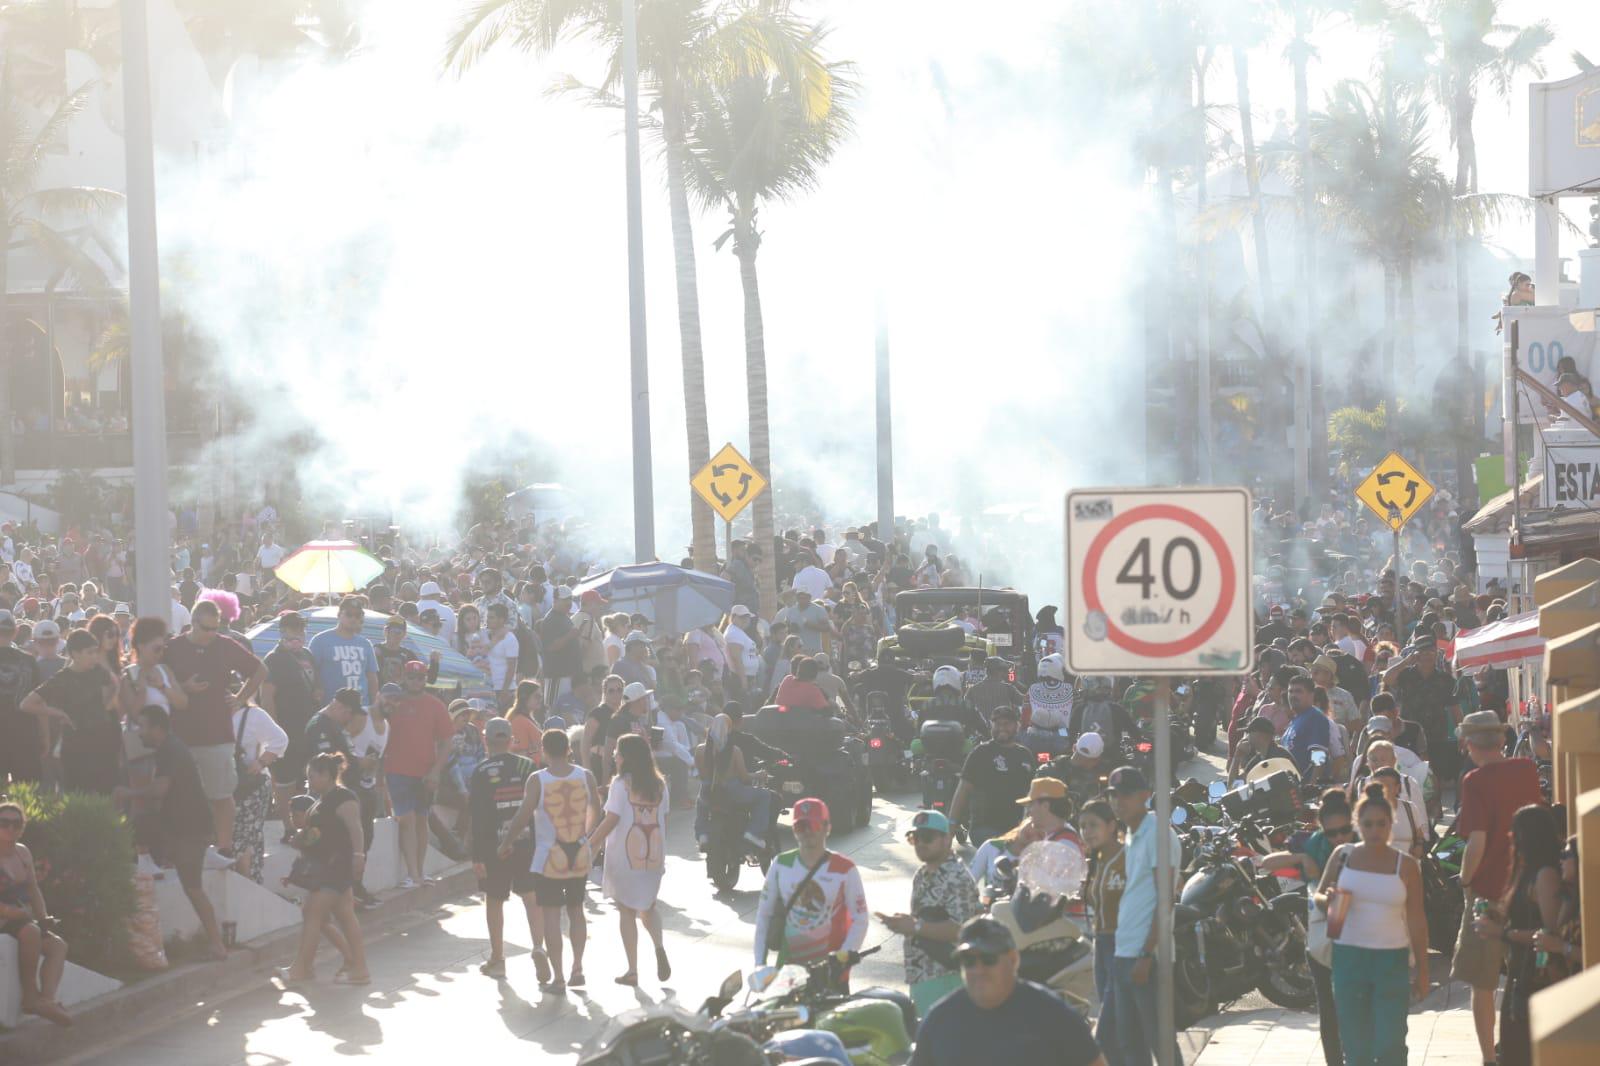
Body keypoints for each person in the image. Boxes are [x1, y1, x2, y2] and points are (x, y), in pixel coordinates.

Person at [1314, 783, 1428, 1066]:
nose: (1375, 830)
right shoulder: (1343, 855)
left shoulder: (1407, 866)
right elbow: (1319, 895)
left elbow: (1416, 919)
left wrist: (1423, 969)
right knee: (1356, 1046)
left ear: (1392, 824)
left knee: (1391, 1043)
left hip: (1391, 960)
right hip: (1349, 958)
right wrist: (1327, 899)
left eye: (1381, 823)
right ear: (1357, 824)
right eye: (1368, 824)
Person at [1454, 709, 1544, 1065]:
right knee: (1525, 972)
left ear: (1469, 744)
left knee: (1483, 981)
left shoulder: (1474, 781)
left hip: (1488, 890)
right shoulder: (1526, 769)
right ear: (1501, 740)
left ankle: (1489, 1058)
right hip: (1527, 886)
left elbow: (1476, 842)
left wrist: (1464, 879)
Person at [908, 915, 1106, 1066]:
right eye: (969, 961)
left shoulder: (1052, 1014)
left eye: (988, 959)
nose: (978, 970)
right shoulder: (941, 1018)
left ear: (1013, 960)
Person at [114, 705, 229, 962]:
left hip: (189, 830)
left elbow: (159, 790)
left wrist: (128, 794)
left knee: (193, 887)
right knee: (141, 826)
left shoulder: (169, 750)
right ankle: (149, 861)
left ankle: (217, 944)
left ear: (157, 728)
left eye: (142, 727)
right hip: (178, 827)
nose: (139, 733)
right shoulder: (169, 748)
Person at [499, 727, 603, 995]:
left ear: (544, 751)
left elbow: (523, 815)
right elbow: (596, 810)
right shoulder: (585, 776)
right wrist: (586, 837)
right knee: (577, 911)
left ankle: (558, 977)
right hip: (578, 853)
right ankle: (577, 967)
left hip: (548, 856)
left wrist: (507, 842)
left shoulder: (538, 780)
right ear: (569, 749)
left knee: (552, 916)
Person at [163, 599, 268, 863]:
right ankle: (184, 847)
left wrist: (242, 698)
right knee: (180, 796)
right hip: (180, 735)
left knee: (221, 795)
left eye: (215, 628)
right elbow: (159, 680)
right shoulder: (173, 648)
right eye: (206, 628)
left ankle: (224, 848)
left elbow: (260, 670)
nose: (211, 634)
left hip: (217, 734)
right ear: (193, 623)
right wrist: (183, 687)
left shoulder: (224, 645)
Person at [1258, 789, 1353, 1066]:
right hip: (1323, 937)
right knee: (1328, 1008)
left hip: (1358, 938)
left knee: (1355, 1006)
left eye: (1345, 830)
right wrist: (1300, 859)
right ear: (1322, 829)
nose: (1339, 838)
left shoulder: (1362, 842)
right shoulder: (1314, 844)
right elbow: (1266, 863)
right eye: (1332, 832)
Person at [1470, 805, 1564, 1066]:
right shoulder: (1525, 872)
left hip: (1538, 976)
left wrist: (1502, 932)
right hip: (1519, 972)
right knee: (1513, 1047)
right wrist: (1497, 915)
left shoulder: (1545, 875)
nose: (1510, 837)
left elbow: (1550, 932)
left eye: (1515, 832)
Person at [274, 752, 370, 987]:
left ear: (327, 775)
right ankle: (358, 968)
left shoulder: (343, 797)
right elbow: (317, 833)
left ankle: (302, 969)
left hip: (336, 866)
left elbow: (355, 829)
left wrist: (359, 856)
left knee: (313, 912)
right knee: (345, 916)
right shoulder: (321, 799)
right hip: (325, 865)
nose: (308, 782)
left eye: (312, 776)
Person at [1108, 766, 1181, 1066]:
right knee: (1130, 1043)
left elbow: (1165, 899)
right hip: (1125, 950)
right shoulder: (1131, 833)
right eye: (1113, 795)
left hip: (1146, 955)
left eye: (1124, 795)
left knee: (1160, 1042)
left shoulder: (1158, 834)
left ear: (1145, 796)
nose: (1117, 801)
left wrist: (1147, 953)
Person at [753, 797, 868, 986]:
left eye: (813, 825)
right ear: (794, 830)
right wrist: (759, 964)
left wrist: (844, 957)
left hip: (830, 972)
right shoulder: (781, 864)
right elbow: (764, 915)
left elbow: (860, 919)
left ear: (827, 828)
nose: (807, 832)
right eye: (801, 826)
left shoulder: (845, 869)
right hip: (788, 972)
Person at [876, 809, 981, 1015]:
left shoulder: (957, 877)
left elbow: (962, 929)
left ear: (946, 839)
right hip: (921, 974)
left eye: (927, 837)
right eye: (915, 838)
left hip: (946, 977)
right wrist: (904, 923)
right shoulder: (922, 874)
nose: (920, 843)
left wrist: (914, 926)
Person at [468, 717, 548, 984]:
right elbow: (538, 807)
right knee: (530, 896)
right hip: (527, 842)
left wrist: (477, 856)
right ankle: (538, 947)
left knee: (494, 899)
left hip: (494, 846)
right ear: (511, 739)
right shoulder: (528, 766)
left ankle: (498, 959)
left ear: (486, 740)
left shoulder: (480, 771)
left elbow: (477, 817)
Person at [588, 732, 672, 986]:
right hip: (653, 855)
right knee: (648, 906)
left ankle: (633, 969)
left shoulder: (620, 784)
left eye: (616, 752)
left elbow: (611, 820)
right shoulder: (660, 784)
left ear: (625, 757)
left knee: (626, 910)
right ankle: (658, 947)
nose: (613, 755)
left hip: (625, 856)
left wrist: (590, 844)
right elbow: (663, 819)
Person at [21, 629, 120, 795]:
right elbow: (26, 704)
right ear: (75, 654)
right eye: (90, 653)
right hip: (75, 744)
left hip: (102, 740)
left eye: (96, 652)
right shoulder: (62, 678)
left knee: (105, 793)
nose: (95, 657)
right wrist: (57, 713)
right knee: (76, 794)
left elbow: (115, 683)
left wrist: (107, 704)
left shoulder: (98, 672)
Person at [0, 800, 72, 1026]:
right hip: (5, 915)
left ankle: (47, 1000)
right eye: (4, 823)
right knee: (30, 932)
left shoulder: (23, 853)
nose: (11, 828)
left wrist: (44, 918)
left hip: (21, 916)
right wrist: (7, 911)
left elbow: (33, 888)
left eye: (16, 823)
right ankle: (30, 998)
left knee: (58, 945)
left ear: (22, 826)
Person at [384, 660, 454, 889]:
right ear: (404, 677)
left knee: (422, 820)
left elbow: (446, 741)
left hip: (424, 773)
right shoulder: (393, 702)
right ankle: (413, 874)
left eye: (420, 677)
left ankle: (419, 872)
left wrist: (436, 771)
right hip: (396, 770)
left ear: (426, 678)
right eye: (412, 677)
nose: (416, 681)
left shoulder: (435, 705)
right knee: (406, 820)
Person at [261, 611, 319, 835]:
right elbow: (267, 697)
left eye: (301, 628)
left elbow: (315, 683)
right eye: (293, 628)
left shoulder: (307, 654)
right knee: (285, 782)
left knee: (308, 779)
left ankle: (308, 824)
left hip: (308, 727)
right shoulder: (274, 659)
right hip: (286, 729)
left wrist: (318, 691)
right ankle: (288, 827)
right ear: (283, 631)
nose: (298, 633)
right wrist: (275, 732)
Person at [1079, 799, 1127, 1066]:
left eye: (1094, 825)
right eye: (1083, 826)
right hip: (1102, 943)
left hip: (1125, 946)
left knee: (1106, 1030)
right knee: (1116, 1030)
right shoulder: (1095, 861)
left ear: (1111, 826)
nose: (1087, 832)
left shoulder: (1128, 857)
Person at [949, 703, 1033, 845]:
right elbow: (962, 790)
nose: (1002, 728)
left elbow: (1033, 795)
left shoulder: (1025, 755)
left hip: (1017, 828)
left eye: (1006, 724)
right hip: (984, 829)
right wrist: (951, 825)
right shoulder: (980, 753)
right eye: (997, 724)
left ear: (1017, 726)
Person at [230, 697, 288, 883]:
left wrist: (261, 762)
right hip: (226, 786)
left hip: (251, 786)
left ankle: (248, 886)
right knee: (237, 837)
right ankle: (249, 885)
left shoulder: (253, 715)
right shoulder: (212, 716)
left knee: (245, 837)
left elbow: (280, 739)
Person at [0, 609, 46, 785]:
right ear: (15, 631)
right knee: (28, 794)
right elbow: (40, 700)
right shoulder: (29, 662)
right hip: (25, 735)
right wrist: (45, 735)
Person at [308, 597, 380, 707]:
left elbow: (372, 677)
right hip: (331, 708)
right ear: (339, 614)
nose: (353, 619)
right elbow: (311, 673)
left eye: (357, 615)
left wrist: (374, 705)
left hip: (361, 708)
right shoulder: (320, 640)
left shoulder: (365, 644)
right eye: (349, 614)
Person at [1281, 673, 1331, 777]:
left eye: (1298, 691)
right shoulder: (1295, 720)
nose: (1293, 695)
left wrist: (1312, 785)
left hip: (1307, 787)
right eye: (1290, 691)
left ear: (1311, 695)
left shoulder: (1315, 717)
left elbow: (1319, 754)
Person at [1022, 653, 1074, 755]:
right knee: (1066, 746)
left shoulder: (1032, 689)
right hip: (1060, 731)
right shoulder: (1068, 689)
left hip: (1034, 731)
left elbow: (1025, 714)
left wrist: (1024, 728)